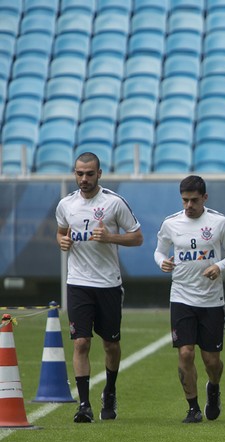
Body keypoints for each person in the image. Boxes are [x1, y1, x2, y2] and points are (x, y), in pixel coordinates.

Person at [55, 151, 144, 423]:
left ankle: (110, 390)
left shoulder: (114, 203)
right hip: (78, 283)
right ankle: (84, 405)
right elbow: (60, 231)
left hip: (108, 284)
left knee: (110, 344)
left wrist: (110, 237)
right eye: (79, 174)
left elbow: (137, 237)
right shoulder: (66, 205)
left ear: (99, 174)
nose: (84, 179)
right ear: (75, 174)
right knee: (81, 342)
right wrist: (61, 241)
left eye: (89, 174)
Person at [154, 175, 225, 423]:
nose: (189, 205)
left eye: (194, 200)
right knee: (185, 353)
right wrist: (163, 262)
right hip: (181, 296)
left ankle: (213, 388)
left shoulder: (218, 222)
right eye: (184, 200)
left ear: (204, 198)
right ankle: (192, 408)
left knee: (211, 360)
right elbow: (159, 250)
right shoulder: (171, 224)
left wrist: (220, 266)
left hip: (211, 300)